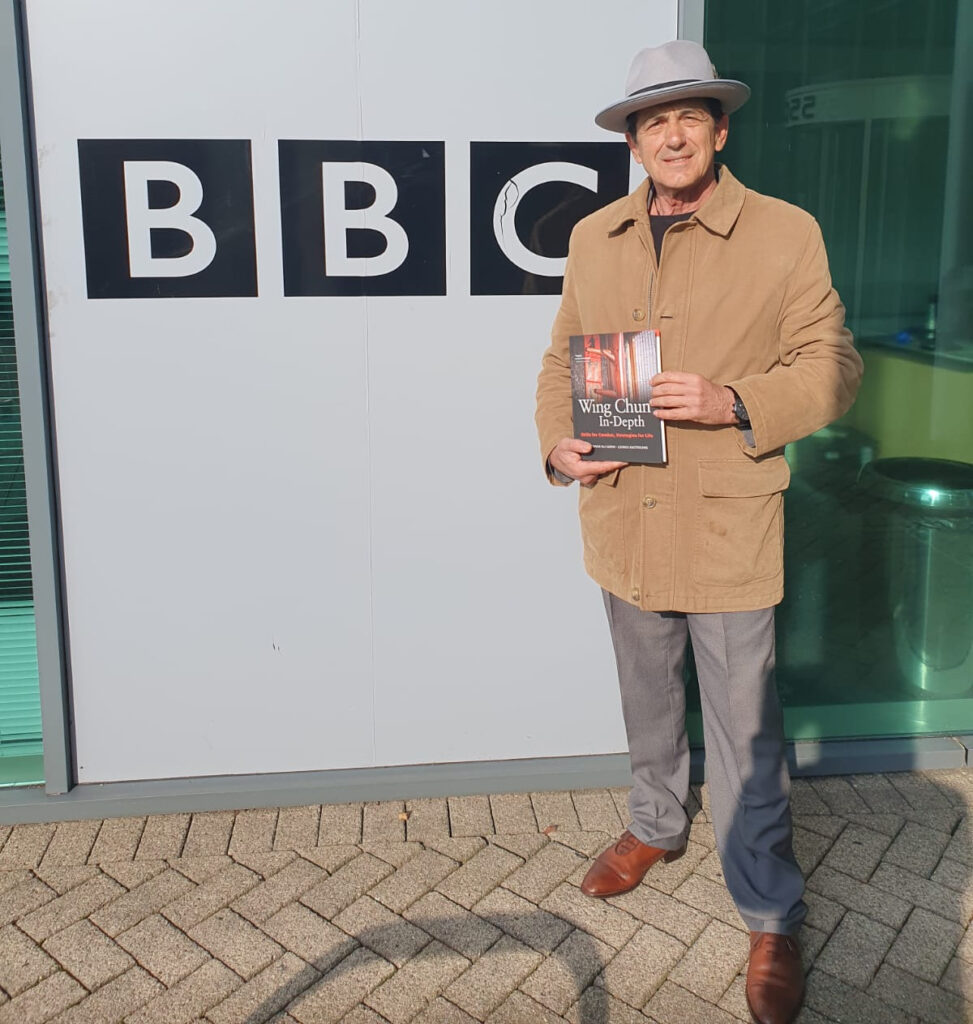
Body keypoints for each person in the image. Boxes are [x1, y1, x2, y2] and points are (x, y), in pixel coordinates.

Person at [534, 40, 862, 1024]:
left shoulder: (783, 232)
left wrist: (734, 400)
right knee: (645, 696)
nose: (669, 134)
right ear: (633, 140)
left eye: (687, 117)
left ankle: (767, 910)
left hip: (726, 523)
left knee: (746, 729)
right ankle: (653, 824)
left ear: (718, 130)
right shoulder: (594, 236)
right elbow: (560, 357)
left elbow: (833, 364)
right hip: (625, 515)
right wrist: (558, 444)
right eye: (650, 120)